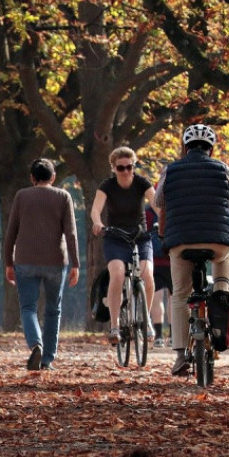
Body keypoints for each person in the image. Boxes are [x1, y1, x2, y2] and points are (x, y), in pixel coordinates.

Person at [154, 124, 229, 376]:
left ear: (184, 146)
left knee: (180, 294)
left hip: (181, 241)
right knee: (222, 271)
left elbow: (161, 205)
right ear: (211, 148)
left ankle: (180, 355)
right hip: (218, 241)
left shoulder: (169, 171)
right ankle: (220, 300)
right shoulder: (223, 169)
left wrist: (163, 234)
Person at [4, 158, 80, 371]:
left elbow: (11, 232)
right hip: (55, 261)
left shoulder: (21, 196)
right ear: (53, 177)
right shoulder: (63, 196)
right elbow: (71, 233)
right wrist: (75, 263)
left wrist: (9, 262)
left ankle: (35, 343)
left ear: (32, 178)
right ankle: (47, 359)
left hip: (25, 260)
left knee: (28, 307)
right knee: (53, 310)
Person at [90, 146, 156, 346]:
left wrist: (164, 221)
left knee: (148, 275)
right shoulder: (107, 186)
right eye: (121, 168)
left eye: (130, 167)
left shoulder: (142, 183)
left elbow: (157, 203)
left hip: (140, 236)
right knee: (117, 273)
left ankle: (146, 319)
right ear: (113, 168)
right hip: (115, 237)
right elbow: (96, 208)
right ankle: (115, 325)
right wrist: (97, 222)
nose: (126, 172)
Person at [145, 206, 172, 346]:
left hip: (154, 260)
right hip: (173, 258)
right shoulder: (174, 205)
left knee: (157, 298)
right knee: (174, 298)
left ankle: (159, 336)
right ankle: (174, 335)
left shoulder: (149, 211)